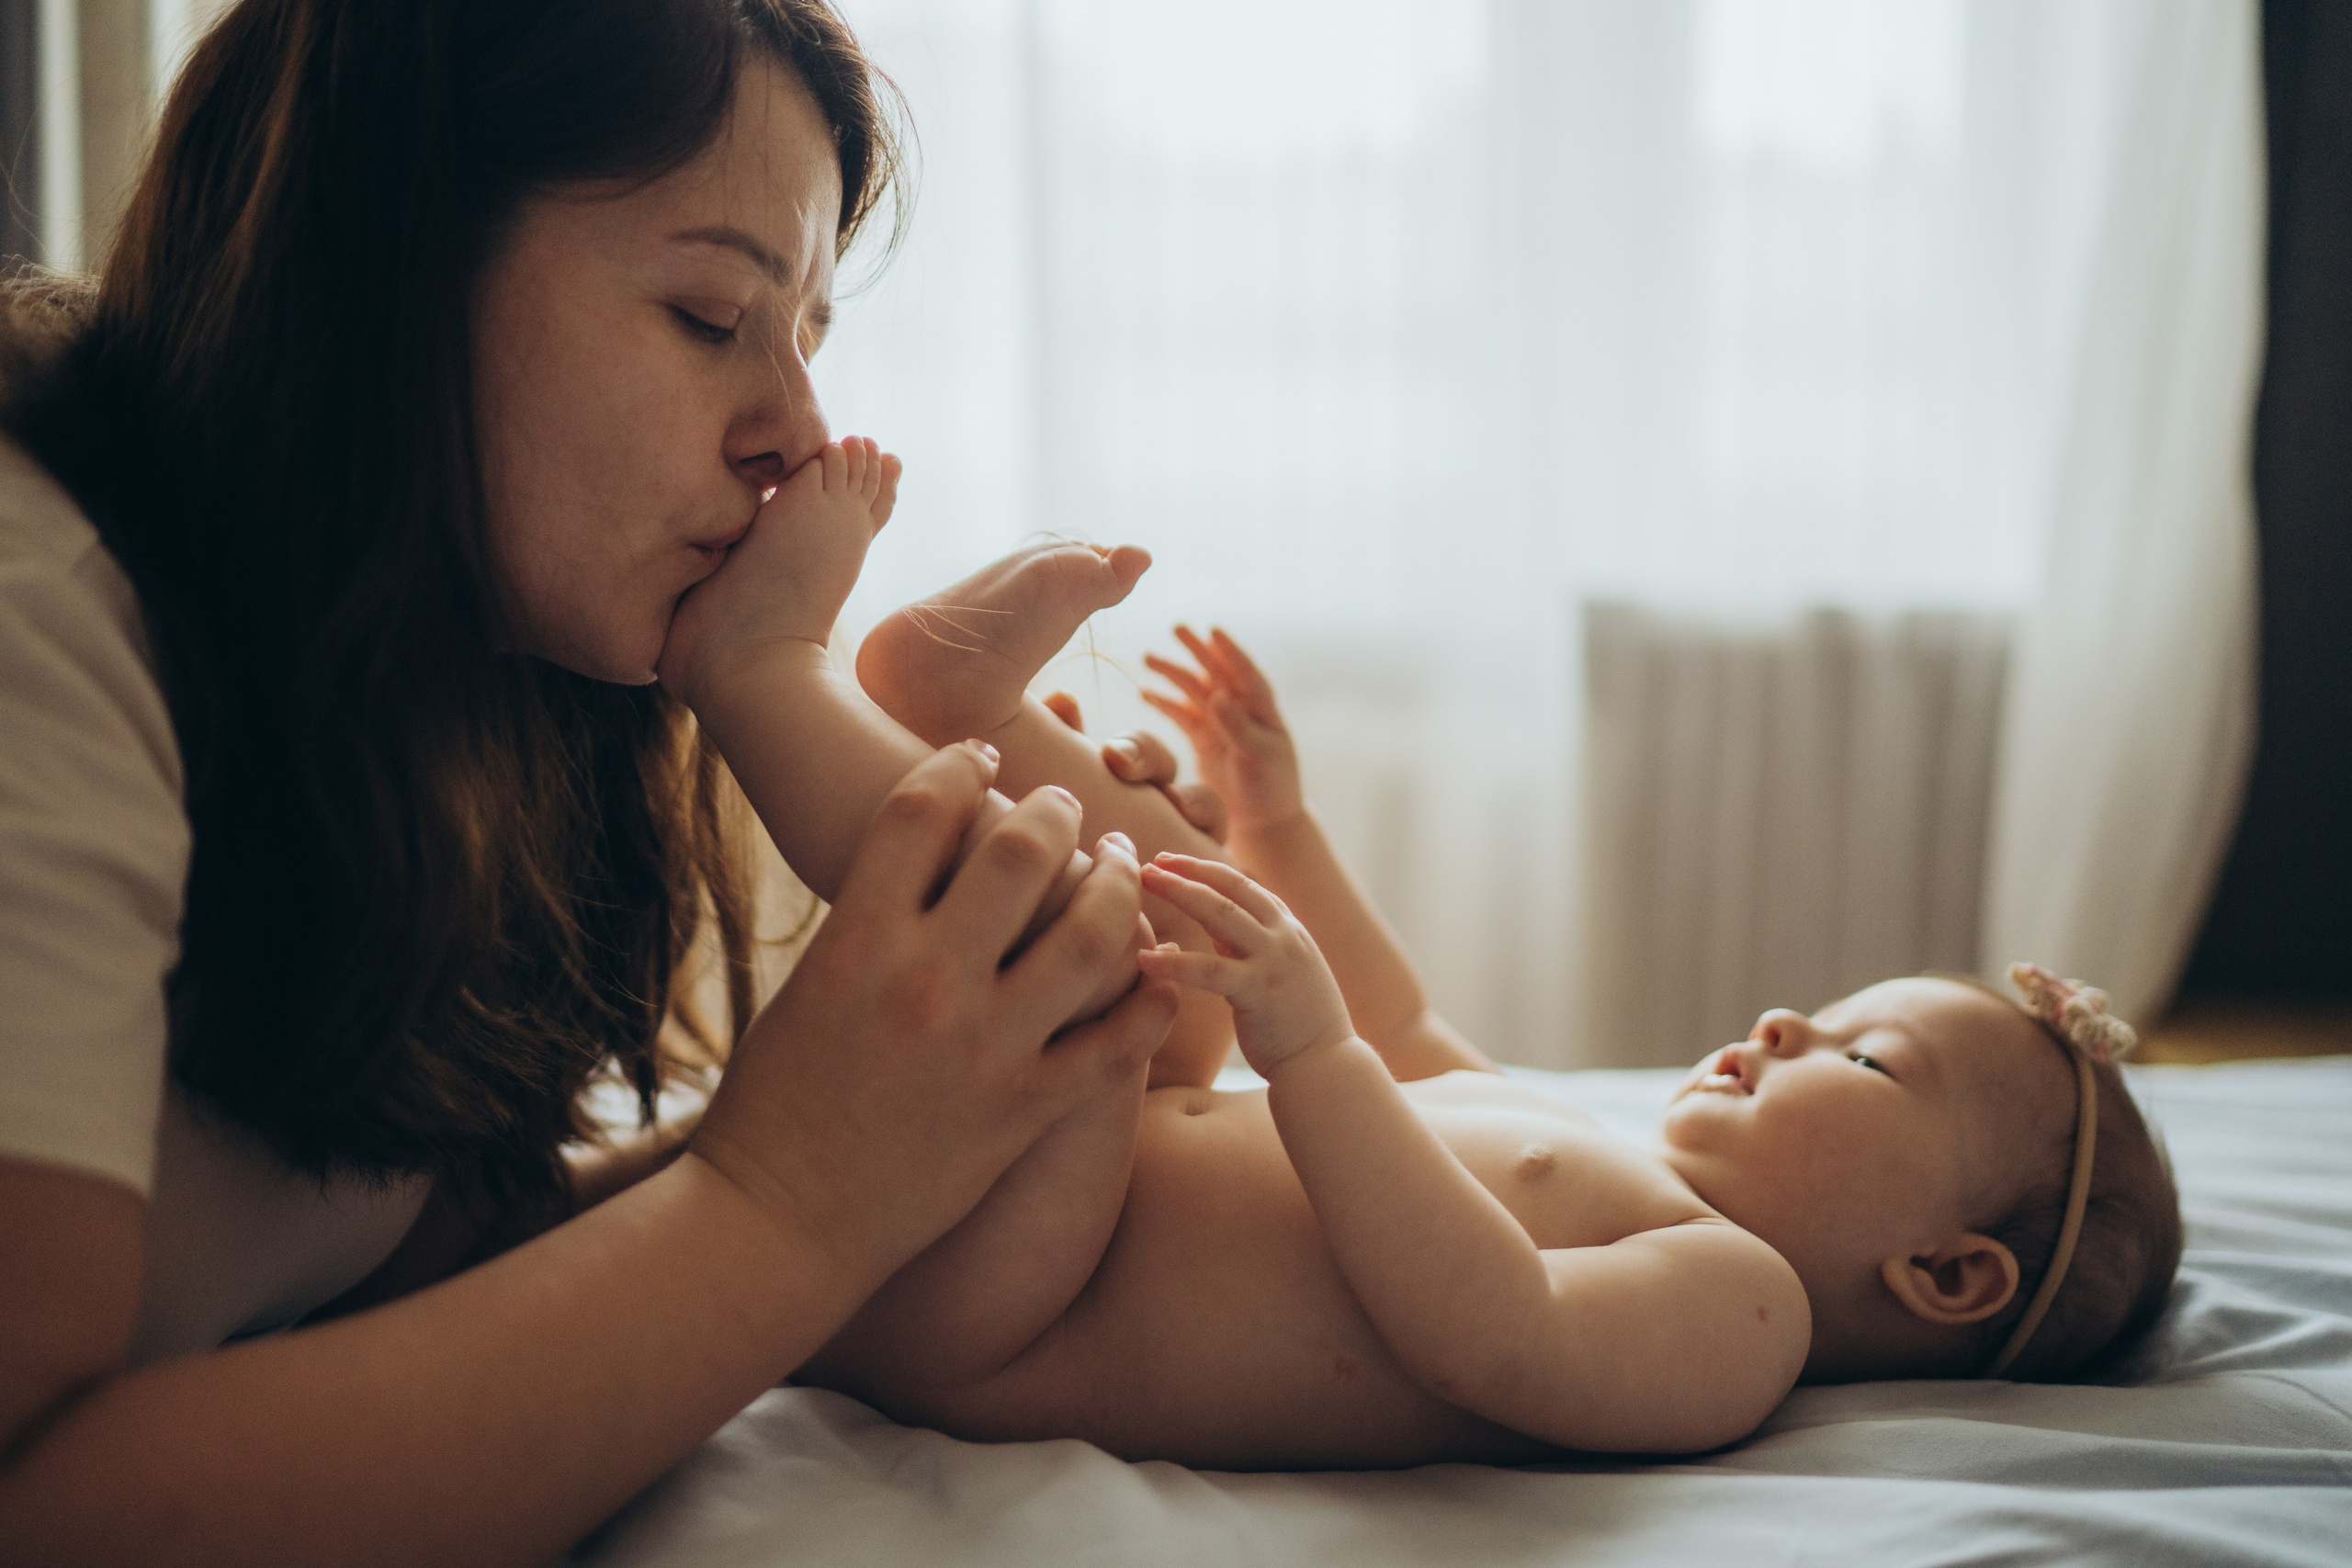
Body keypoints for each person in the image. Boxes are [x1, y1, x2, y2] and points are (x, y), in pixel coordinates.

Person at [0, 4, 1195, 1561]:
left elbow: (416, 1271)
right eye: (710, 316)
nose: (800, 435)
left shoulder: (455, 686)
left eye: (807, 336)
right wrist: (786, 1198)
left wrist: (884, 1110)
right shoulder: (37, 606)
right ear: (383, 266)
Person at [681, 440, 2186, 1467]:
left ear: (1945, 1272)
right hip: (1070, 1181)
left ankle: (765, 675)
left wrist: (1315, 1055)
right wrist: (1280, 827)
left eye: (1868, 1058)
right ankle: (956, 705)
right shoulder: (1606, 1159)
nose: (1790, 1019)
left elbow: (1499, 1335)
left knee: (1088, 940)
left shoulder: (1744, 1317)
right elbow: (1401, 1018)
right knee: (1170, 900)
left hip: (1019, 1320)